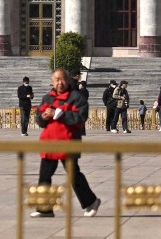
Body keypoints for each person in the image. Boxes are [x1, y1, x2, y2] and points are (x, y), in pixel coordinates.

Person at [32, 69, 101, 218]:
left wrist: (58, 114)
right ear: (52, 82)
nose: (59, 83)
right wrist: (43, 116)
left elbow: (80, 117)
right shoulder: (47, 98)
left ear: (68, 80)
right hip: (50, 143)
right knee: (44, 176)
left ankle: (91, 201)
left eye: (62, 79)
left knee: (73, 175)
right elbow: (39, 120)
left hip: (68, 142)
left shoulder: (77, 98)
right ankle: (44, 208)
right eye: (56, 80)